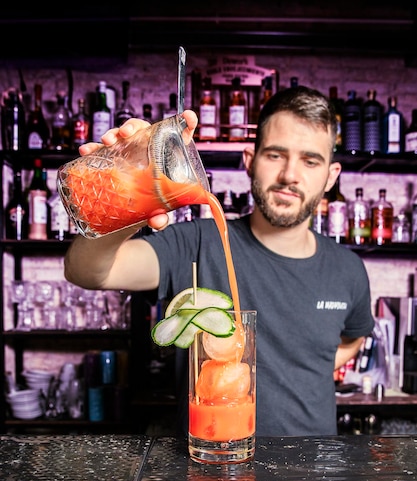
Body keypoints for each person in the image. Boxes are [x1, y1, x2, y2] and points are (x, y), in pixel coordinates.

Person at [64, 85, 375, 437]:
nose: (290, 175)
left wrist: (308, 369)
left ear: (331, 176)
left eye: (310, 160)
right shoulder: (196, 242)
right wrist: (125, 197)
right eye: (275, 155)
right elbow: (87, 271)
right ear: (249, 160)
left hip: (312, 475)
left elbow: (354, 339)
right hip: (210, 472)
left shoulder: (348, 269)